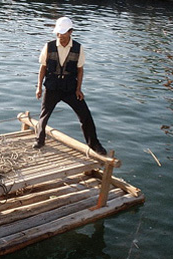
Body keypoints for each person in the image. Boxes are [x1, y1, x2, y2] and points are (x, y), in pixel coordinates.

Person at [33, 16, 107, 156]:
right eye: (58, 33)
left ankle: (94, 144)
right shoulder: (49, 46)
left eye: (64, 32)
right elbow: (42, 68)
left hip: (70, 88)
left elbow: (80, 70)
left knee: (85, 115)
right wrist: (39, 87)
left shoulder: (78, 48)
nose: (60, 36)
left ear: (71, 32)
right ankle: (39, 140)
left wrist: (79, 89)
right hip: (52, 86)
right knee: (44, 115)